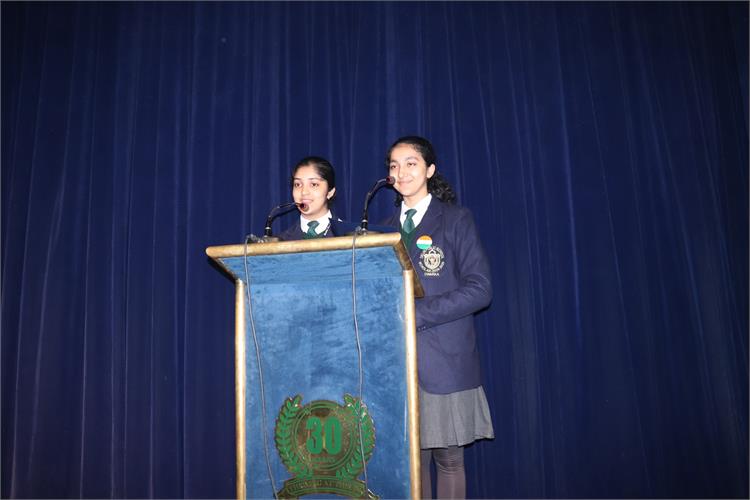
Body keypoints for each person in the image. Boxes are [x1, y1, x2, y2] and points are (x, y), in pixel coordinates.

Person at [381, 136, 494, 499]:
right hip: (396, 365)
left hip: (444, 360)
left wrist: (416, 313)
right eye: (394, 165)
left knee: (448, 460)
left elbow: (480, 289)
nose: (401, 172)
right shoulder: (380, 230)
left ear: (429, 170)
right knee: (413, 461)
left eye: (411, 163)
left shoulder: (456, 220)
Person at [277, 156, 343, 241]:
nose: (304, 192)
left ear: (330, 192)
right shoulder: (281, 242)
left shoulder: (350, 237)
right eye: (298, 184)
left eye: (314, 184)